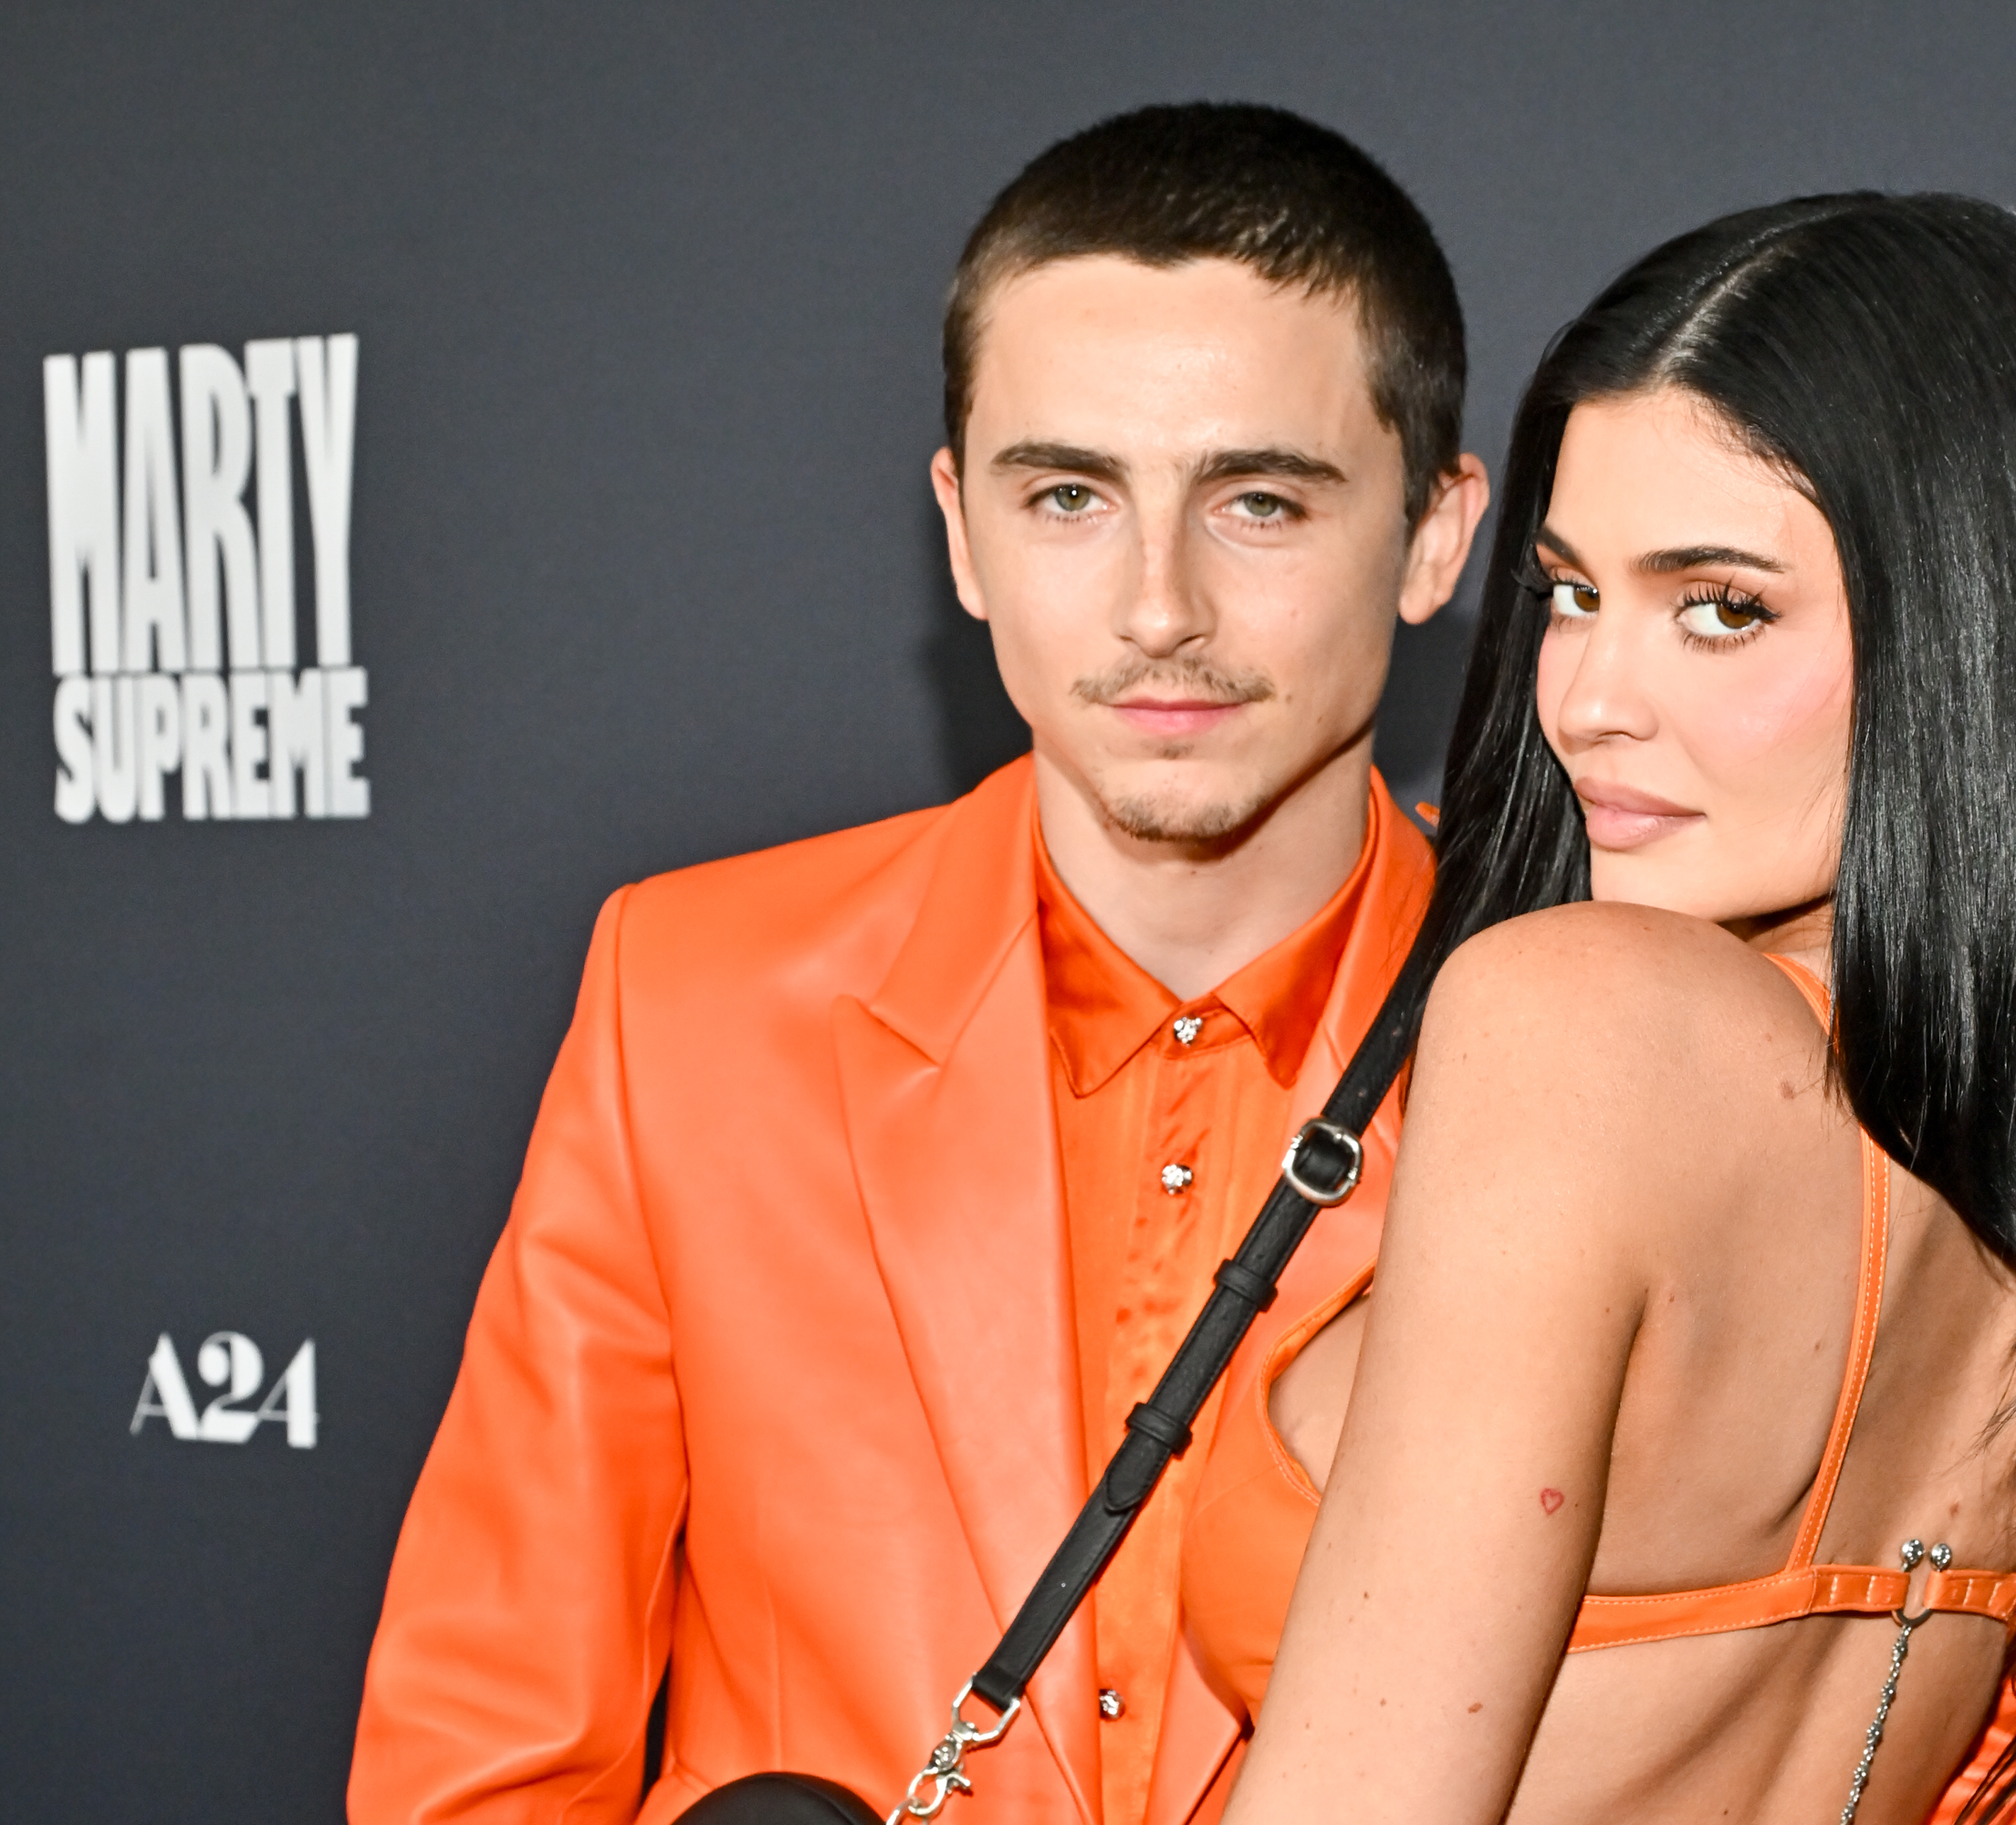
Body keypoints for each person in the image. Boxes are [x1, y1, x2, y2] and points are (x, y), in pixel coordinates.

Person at [347, 103, 1489, 1825]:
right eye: (1068, 496)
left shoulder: (1598, 1065)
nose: (1158, 603)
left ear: (1432, 536)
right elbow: (481, 1763)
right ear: (961, 530)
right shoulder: (694, 1005)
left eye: (1259, 501)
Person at [1179, 195, 2016, 1824]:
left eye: (1721, 606)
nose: (1585, 702)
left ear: (1976, 638)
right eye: (1570, 593)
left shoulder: (1579, 1022)